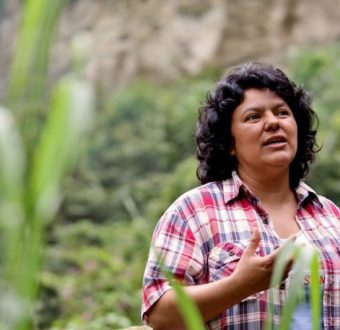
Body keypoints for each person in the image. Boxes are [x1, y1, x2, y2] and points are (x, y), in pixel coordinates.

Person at [141, 62, 340, 329]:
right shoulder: (194, 212)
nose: (272, 122)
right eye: (253, 117)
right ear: (229, 143)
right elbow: (160, 315)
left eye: (282, 112)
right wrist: (239, 285)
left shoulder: (331, 217)